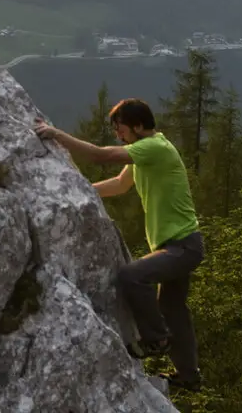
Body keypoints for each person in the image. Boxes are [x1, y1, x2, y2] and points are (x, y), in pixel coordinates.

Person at [35, 99, 204, 391]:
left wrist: (57, 135)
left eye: (121, 129)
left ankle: (156, 339)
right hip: (179, 244)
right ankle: (189, 376)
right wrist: (84, 190)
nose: (118, 135)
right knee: (173, 308)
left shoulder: (155, 149)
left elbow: (102, 156)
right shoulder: (149, 152)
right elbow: (120, 184)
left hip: (182, 247)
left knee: (131, 275)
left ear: (139, 126)